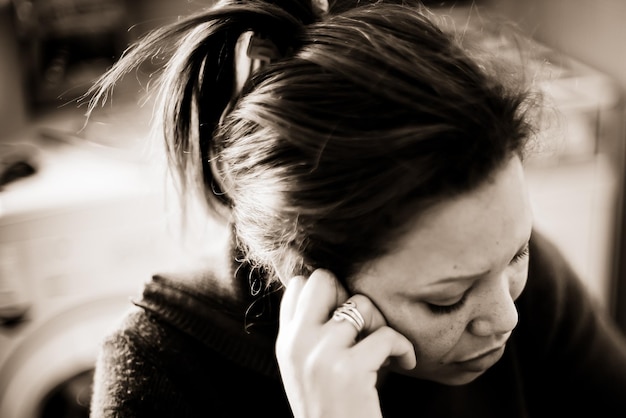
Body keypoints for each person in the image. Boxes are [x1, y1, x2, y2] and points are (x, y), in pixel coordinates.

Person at [85, 0, 626, 416]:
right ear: (308, 273)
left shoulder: (518, 282)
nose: (504, 319)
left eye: (517, 254)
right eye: (446, 301)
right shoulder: (159, 371)